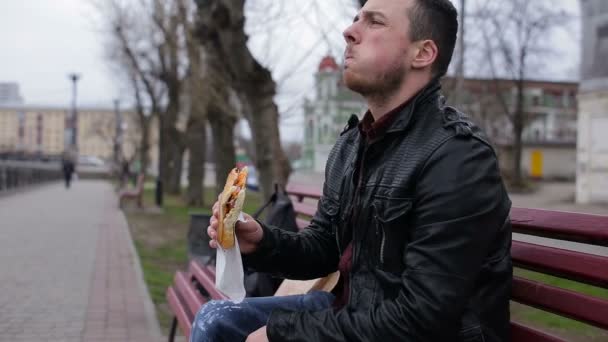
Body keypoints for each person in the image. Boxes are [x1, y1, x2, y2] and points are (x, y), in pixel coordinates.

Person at [191, 0, 512, 340]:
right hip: (354, 312)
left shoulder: (458, 157)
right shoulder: (353, 146)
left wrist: (282, 335)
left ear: (423, 53)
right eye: (356, 18)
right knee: (216, 320)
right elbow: (324, 247)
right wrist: (262, 243)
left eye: (374, 22)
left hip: (412, 332)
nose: (349, 31)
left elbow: (422, 319)